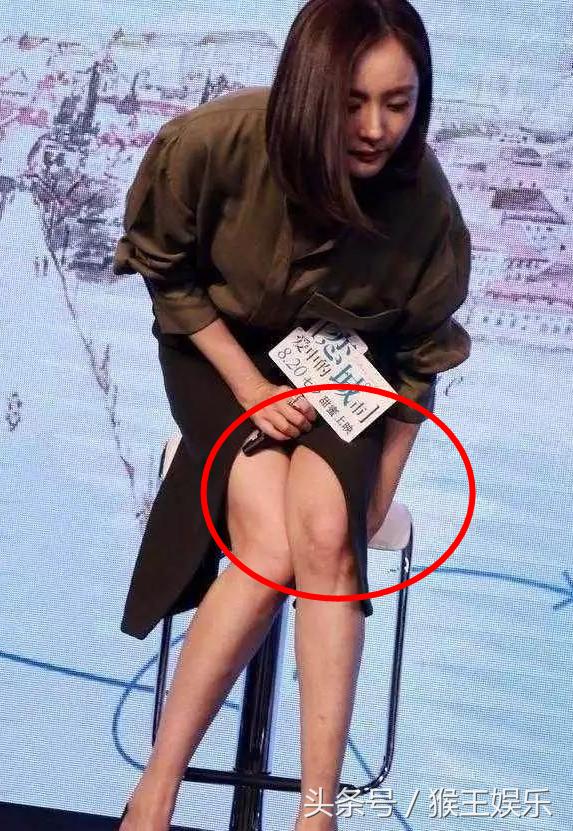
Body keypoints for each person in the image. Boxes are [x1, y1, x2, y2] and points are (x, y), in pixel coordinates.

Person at [114, 0, 472, 828]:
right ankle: (154, 794)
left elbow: (418, 359)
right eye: (352, 103)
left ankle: (317, 813)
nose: (376, 129)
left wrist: (378, 489)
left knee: (327, 539)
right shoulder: (215, 140)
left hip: (342, 365)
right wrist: (250, 389)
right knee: (270, 545)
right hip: (217, 350)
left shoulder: (423, 201)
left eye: (398, 102)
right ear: (309, 88)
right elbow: (168, 273)